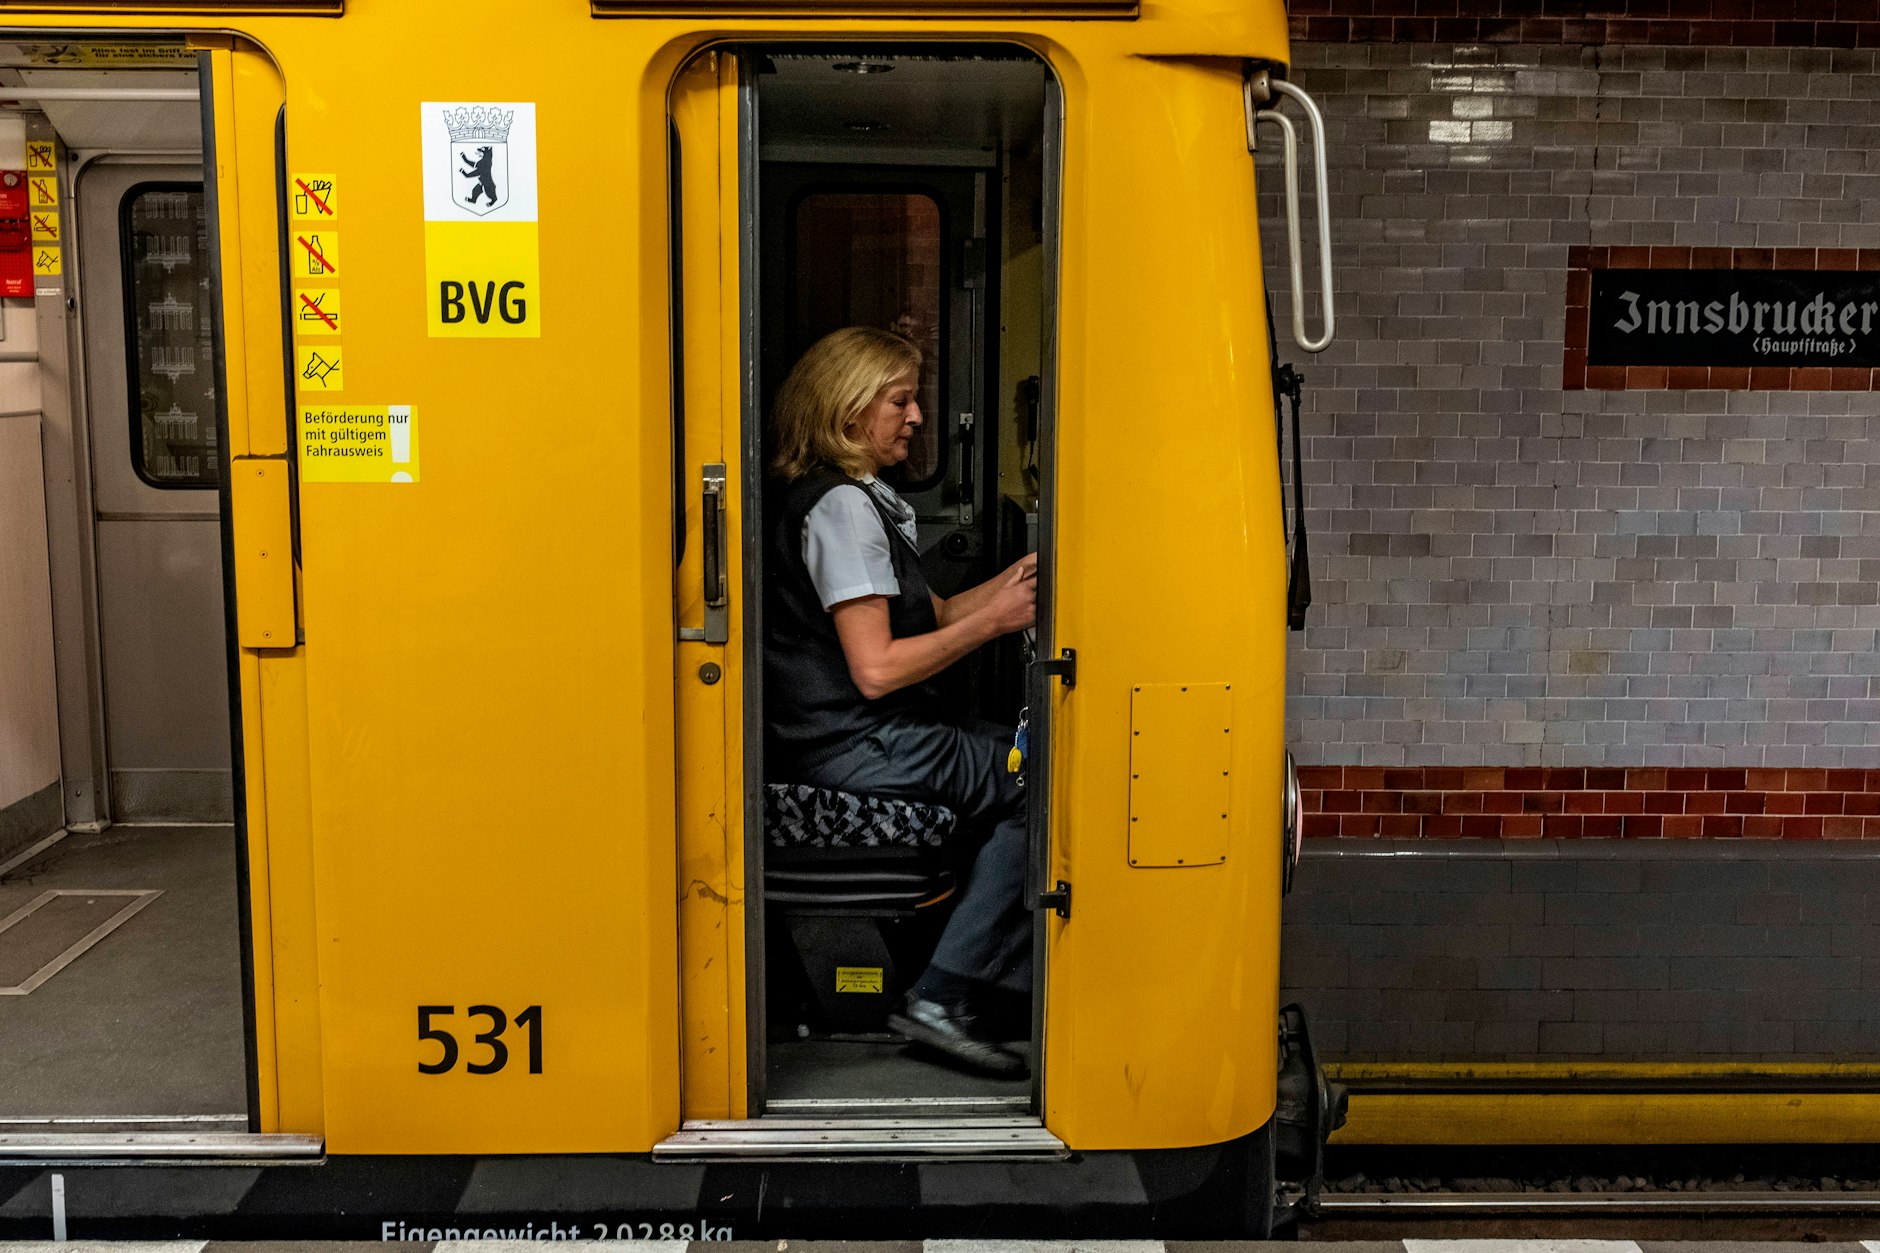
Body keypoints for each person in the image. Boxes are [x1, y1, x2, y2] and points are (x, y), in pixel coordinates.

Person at [765, 326, 1038, 1077]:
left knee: (1025, 755)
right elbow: (879, 668)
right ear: (849, 411)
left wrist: (1016, 584)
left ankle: (985, 983)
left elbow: (935, 614)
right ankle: (946, 996)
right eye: (901, 400)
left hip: (861, 734)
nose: (917, 417)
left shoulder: (848, 499)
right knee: (1044, 781)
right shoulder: (842, 511)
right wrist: (995, 622)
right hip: (856, 742)